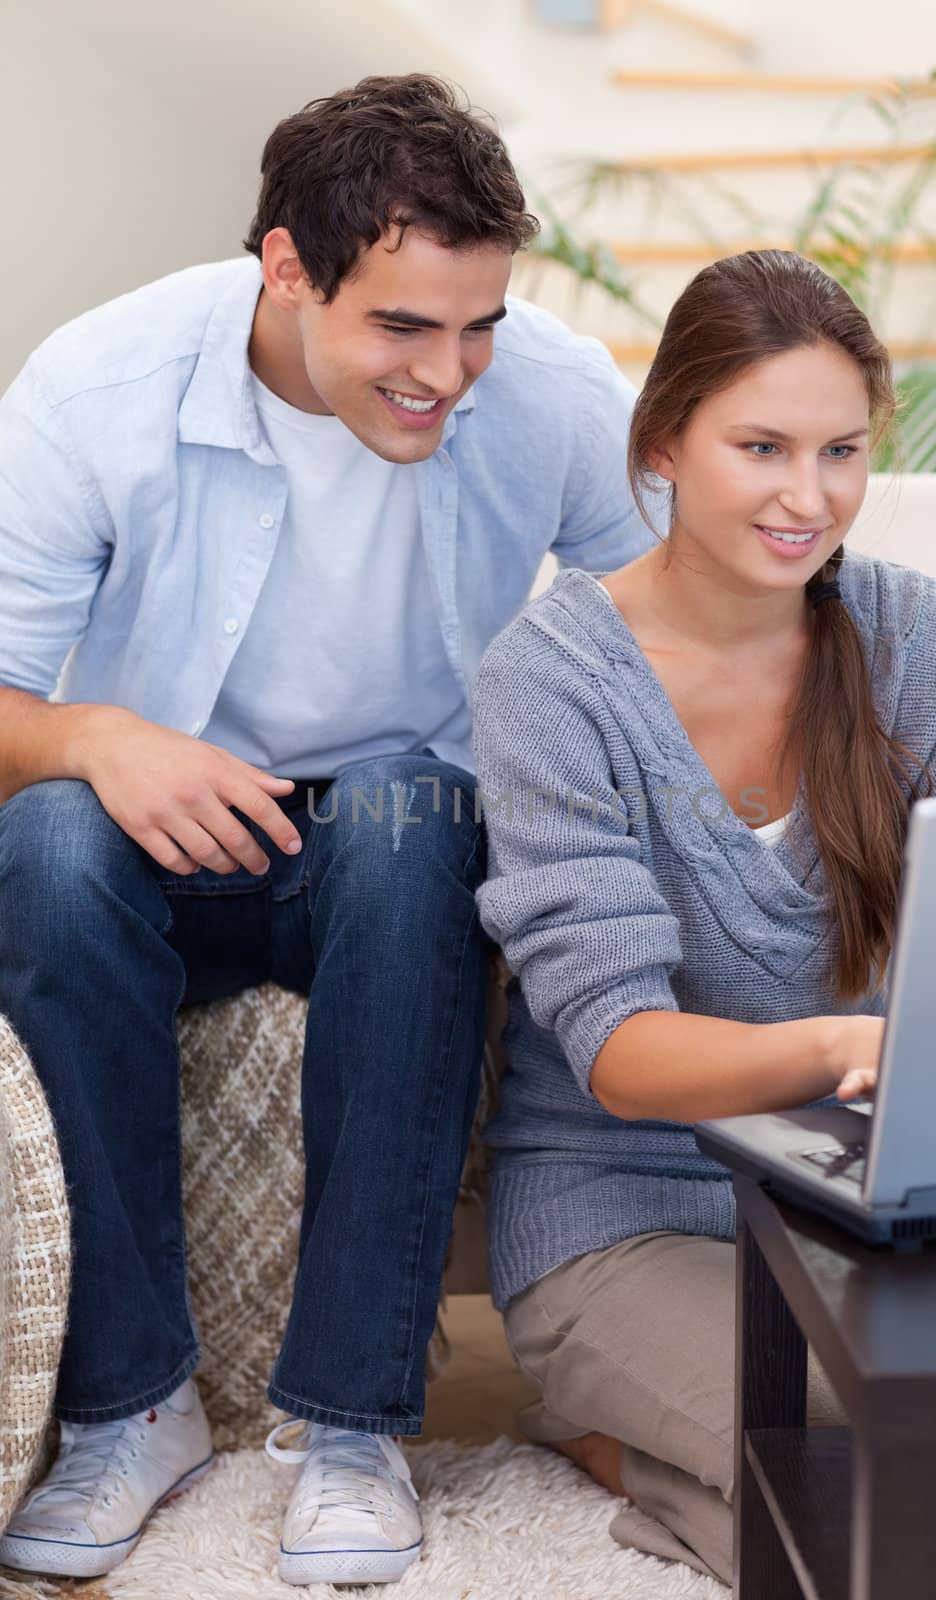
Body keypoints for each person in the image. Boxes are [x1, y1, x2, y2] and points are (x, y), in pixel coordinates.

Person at [0, 75, 657, 1586]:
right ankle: (126, 1410)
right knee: (43, 842)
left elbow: (668, 637)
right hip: (146, 831)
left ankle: (348, 1426)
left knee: (417, 820)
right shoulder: (98, 390)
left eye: (480, 323)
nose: (451, 373)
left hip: (389, 836)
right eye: (405, 330)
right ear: (287, 269)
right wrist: (101, 741)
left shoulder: (546, 391)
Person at [470, 249, 936, 1582]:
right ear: (663, 441)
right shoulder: (554, 680)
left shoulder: (921, 646)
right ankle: (600, 1423)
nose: (807, 497)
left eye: (841, 451)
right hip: (626, 1212)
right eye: (761, 446)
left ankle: (660, 1460)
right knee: (904, 1453)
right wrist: (845, 1048)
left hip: (866, 1200)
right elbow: (623, 1051)